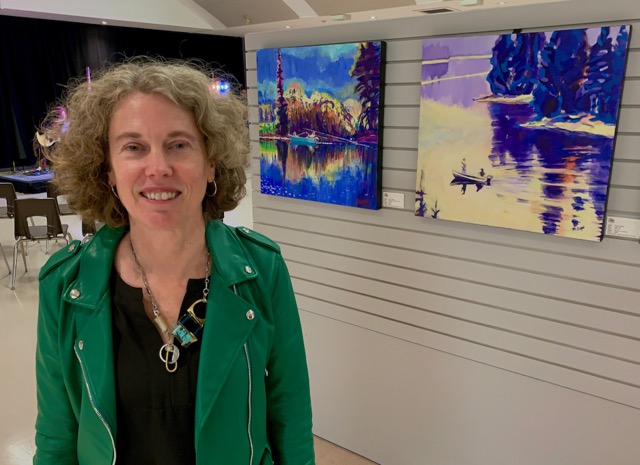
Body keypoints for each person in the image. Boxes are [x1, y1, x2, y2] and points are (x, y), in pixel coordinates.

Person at [34, 59, 315, 465]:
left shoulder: (262, 269)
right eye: (134, 148)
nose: (158, 168)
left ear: (211, 161)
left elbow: (291, 418)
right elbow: (56, 438)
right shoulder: (66, 284)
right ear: (108, 170)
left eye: (179, 145)